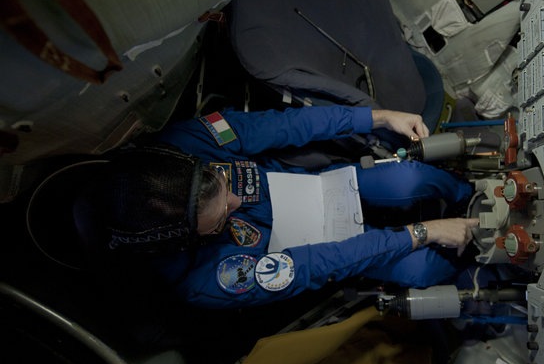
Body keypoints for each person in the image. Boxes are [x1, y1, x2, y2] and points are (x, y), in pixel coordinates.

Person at [99, 105, 479, 309]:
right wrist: (423, 232)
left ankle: (470, 191)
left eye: (224, 184)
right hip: (322, 249)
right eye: (221, 216)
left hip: (317, 186)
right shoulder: (210, 280)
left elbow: (286, 125)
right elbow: (316, 265)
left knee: (411, 178)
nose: (235, 200)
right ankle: (478, 262)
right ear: (191, 239)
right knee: (424, 270)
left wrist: (376, 116)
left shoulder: (189, 140)